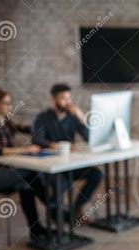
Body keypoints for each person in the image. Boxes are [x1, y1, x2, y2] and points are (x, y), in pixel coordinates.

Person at [32, 83, 103, 222]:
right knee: (61, 183)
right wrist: (58, 146)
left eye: (69, 98)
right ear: (54, 100)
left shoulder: (72, 117)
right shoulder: (42, 117)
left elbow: (89, 138)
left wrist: (81, 118)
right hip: (50, 165)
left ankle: (76, 209)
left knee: (96, 174)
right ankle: (56, 216)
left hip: (70, 164)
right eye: (63, 98)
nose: (67, 102)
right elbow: (37, 139)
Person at [0, 89, 47, 240]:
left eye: (10, 103)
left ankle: (37, 231)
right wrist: (25, 149)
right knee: (30, 172)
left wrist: (41, 126)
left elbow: (26, 128)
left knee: (26, 185)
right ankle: (55, 209)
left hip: (4, 173)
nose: (10, 106)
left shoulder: (5, 122)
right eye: (6, 103)